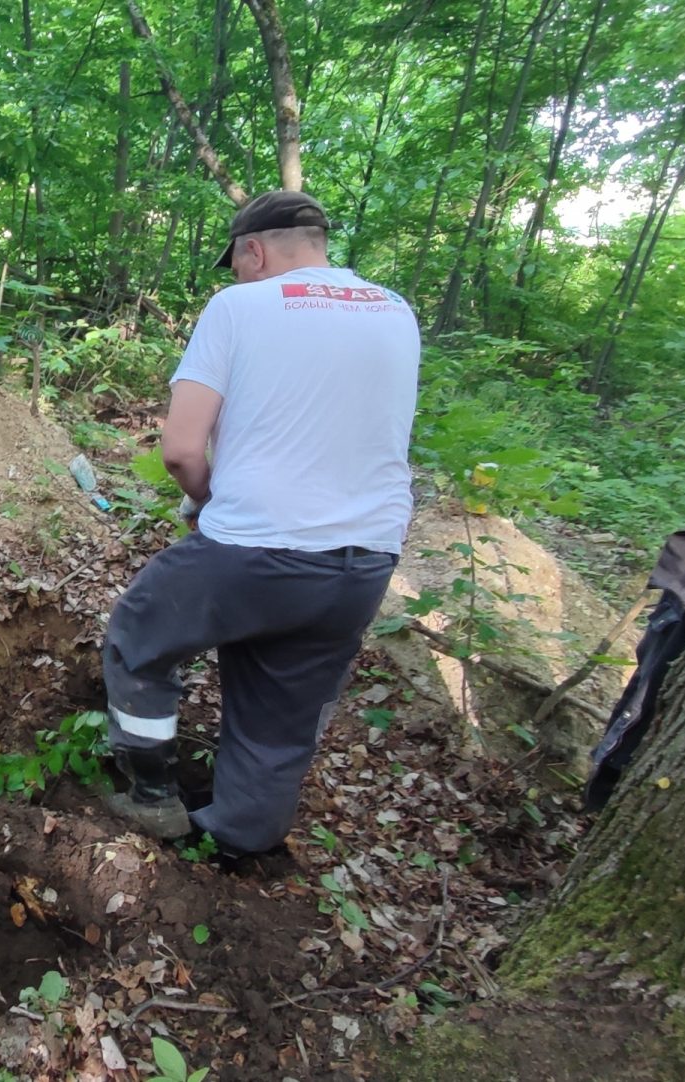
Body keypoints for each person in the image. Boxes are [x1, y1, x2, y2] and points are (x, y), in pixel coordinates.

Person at [100, 190, 419, 862]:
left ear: (254, 250)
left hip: (258, 550)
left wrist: (206, 500)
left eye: (237, 263)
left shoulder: (238, 307)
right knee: (279, 716)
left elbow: (183, 450)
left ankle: (150, 795)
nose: (238, 276)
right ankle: (239, 843)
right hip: (364, 563)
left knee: (140, 634)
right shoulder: (396, 312)